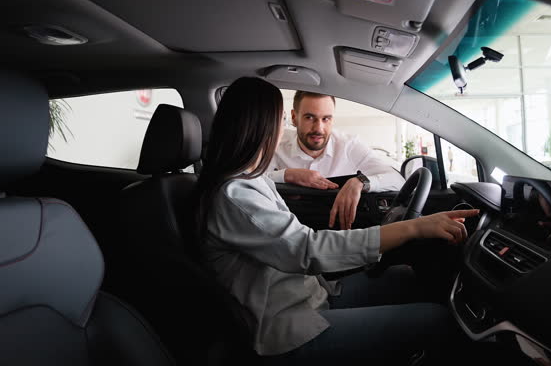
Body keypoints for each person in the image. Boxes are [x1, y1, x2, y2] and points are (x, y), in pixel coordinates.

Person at [195, 77, 478, 364]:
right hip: (285, 328)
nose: (284, 128)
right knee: (435, 320)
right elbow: (308, 249)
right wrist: (413, 227)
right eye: (281, 118)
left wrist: (348, 182)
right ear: (261, 125)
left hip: (308, 297)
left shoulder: (248, 180)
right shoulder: (235, 194)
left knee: (407, 277)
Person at [268, 90, 405, 230]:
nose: (318, 129)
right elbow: (249, 179)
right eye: (309, 117)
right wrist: (287, 175)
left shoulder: (349, 145)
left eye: (326, 119)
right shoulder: (276, 143)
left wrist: (360, 182)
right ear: (294, 117)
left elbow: (397, 180)